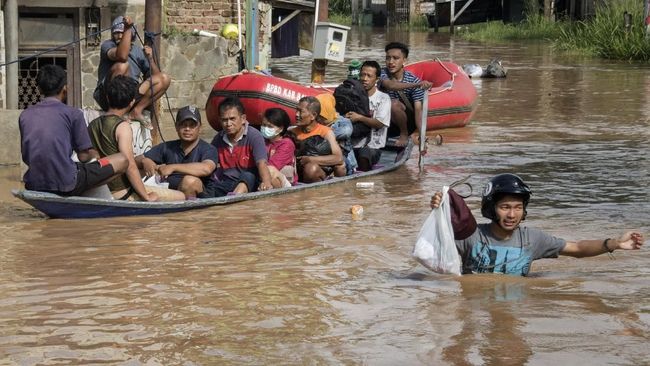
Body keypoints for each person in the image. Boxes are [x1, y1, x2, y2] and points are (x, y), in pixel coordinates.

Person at [429, 174, 644, 276]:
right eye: (504, 207)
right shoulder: (471, 236)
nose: (512, 214)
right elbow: (431, 253)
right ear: (491, 208)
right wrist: (438, 209)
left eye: (518, 207)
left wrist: (614, 243)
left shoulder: (532, 239)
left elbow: (577, 249)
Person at [19, 64, 127, 196]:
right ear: (65, 88)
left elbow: (27, 157)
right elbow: (83, 156)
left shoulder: (25, 115)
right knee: (122, 160)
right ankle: (78, 191)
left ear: (40, 89)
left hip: (33, 184)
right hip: (67, 183)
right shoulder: (73, 114)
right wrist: (95, 155)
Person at [88, 75, 184, 201]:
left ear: (107, 97)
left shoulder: (92, 124)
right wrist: (146, 197)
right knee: (181, 196)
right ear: (132, 102)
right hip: (120, 192)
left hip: (99, 188)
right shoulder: (123, 127)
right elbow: (129, 165)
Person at [93, 15, 171, 123]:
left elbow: (155, 76)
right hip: (108, 95)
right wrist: (128, 28)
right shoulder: (108, 45)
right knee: (122, 66)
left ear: (132, 36)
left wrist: (150, 59)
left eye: (123, 32)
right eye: (116, 33)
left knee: (164, 78)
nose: (119, 36)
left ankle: (136, 111)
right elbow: (122, 56)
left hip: (129, 95)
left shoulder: (138, 51)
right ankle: (115, 111)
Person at [136, 105, 218, 199]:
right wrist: (145, 161)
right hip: (171, 194)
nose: (187, 129)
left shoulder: (208, 149)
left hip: (201, 199)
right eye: (183, 124)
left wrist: (173, 167)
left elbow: (206, 168)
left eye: (192, 125)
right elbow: (134, 161)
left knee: (190, 181)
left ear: (200, 128)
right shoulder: (167, 147)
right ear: (176, 127)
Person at [200, 97, 273, 197]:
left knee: (247, 176)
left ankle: (234, 197)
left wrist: (266, 183)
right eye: (224, 120)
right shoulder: (218, 139)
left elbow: (262, 164)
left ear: (243, 119)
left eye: (232, 119)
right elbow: (209, 164)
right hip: (227, 183)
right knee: (210, 186)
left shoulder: (254, 136)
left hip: (251, 182)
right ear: (220, 121)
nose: (228, 124)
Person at [378, 42, 432, 146]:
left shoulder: (414, 80)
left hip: (406, 124)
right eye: (388, 58)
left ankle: (404, 135)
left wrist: (422, 135)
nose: (391, 62)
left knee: (393, 104)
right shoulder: (381, 74)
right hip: (383, 121)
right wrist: (416, 85)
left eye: (395, 58)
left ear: (404, 60)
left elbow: (418, 112)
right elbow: (391, 86)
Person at [346, 60, 392, 171]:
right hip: (351, 145)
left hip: (372, 148)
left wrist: (359, 117)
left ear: (376, 79)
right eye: (362, 75)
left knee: (364, 153)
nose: (364, 79)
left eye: (369, 76)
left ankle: (363, 179)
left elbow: (380, 123)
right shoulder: (351, 95)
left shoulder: (383, 98)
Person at [290, 96, 345, 183]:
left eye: (301, 112)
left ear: (313, 115)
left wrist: (310, 159)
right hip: (297, 172)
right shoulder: (292, 132)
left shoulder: (325, 132)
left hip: (318, 171)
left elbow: (338, 158)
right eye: (297, 110)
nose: (297, 114)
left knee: (311, 168)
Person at [315, 93, 356, 175]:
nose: (318, 118)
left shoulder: (342, 121)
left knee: (340, 163)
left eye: (321, 115)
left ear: (327, 111)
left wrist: (325, 133)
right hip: (326, 159)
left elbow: (346, 131)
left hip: (346, 161)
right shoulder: (316, 123)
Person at [260, 108, 296, 188]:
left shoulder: (287, 144)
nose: (265, 128)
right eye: (263, 125)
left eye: (269, 126)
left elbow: (273, 165)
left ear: (280, 128)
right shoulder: (262, 140)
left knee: (269, 170)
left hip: (283, 181)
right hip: (262, 176)